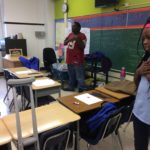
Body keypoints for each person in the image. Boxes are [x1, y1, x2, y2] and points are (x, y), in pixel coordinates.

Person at [133, 16, 150, 150]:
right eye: (144, 38)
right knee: (139, 146)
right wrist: (139, 72)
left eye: (149, 38)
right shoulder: (146, 57)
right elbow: (136, 84)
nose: (145, 42)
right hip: (139, 113)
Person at [63, 21, 87, 92]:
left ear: (79, 28)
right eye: (72, 26)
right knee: (71, 75)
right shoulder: (70, 34)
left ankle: (81, 88)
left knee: (79, 75)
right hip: (69, 58)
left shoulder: (82, 35)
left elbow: (83, 46)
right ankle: (71, 87)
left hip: (78, 59)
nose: (72, 28)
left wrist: (77, 38)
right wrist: (72, 38)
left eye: (74, 26)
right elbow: (64, 42)